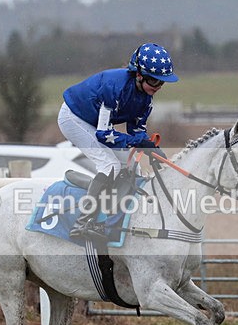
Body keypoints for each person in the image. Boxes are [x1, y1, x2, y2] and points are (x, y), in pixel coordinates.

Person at [58, 42, 177, 238]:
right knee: (110, 165)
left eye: (161, 83)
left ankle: (114, 221)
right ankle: (82, 223)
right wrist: (136, 143)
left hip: (94, 122)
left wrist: (151, 147)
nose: (158, 87)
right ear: (139, 75)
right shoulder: (114, 88)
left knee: (132, 167)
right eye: (154, 82)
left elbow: (137, 130)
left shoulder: (146, 98)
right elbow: (104, 134)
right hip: (73, 118)